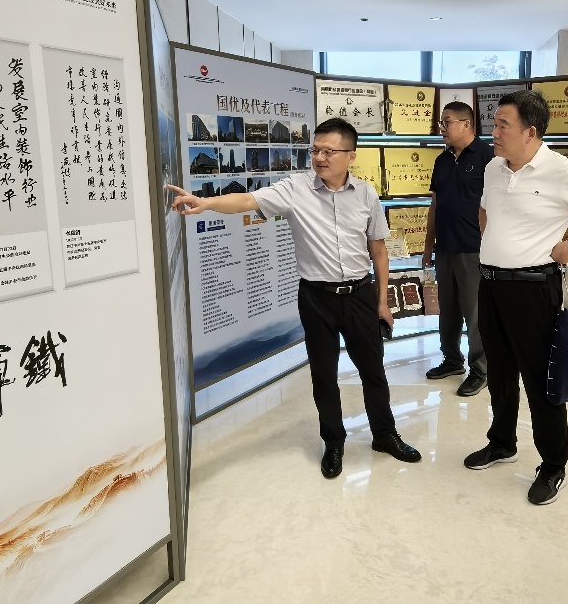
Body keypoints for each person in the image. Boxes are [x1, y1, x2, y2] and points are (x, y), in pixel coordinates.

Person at [168, 118, 421, 479]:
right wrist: (206, 202)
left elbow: (378, 251)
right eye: (315, 150)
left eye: (329, 151)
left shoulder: (366, 194)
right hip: (316, 298)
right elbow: (248, 199)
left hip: (360, 295)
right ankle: (333, 442)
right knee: (323, 375)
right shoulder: (295, 189)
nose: (319, 157)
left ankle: (385, 434)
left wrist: (382, 301)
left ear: (351, 156)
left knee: (373, 371)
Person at [462, 90, 568, 505]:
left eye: (503, 125)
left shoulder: (562, 171)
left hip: (534, 289)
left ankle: (554, 464)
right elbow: (485, 212)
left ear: (531, 132)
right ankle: (502, 442)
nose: (494, 132)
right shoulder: (494, 168)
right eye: (494, 123)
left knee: (541, 381)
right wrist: (498, 245)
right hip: (491, 285)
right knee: (500, 372)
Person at [421, 101, 494, 397]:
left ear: (466, 124)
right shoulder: (442, 160)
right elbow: (435, 204)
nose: (442, 127)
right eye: (441, 122)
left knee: (475, 314)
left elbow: (497, 204)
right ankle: (452, 360)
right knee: (448, 310)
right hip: (445, 249)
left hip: (474, 249)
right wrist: (428, 245)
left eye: (447, 121)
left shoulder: (489, 157)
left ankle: (481, 369)